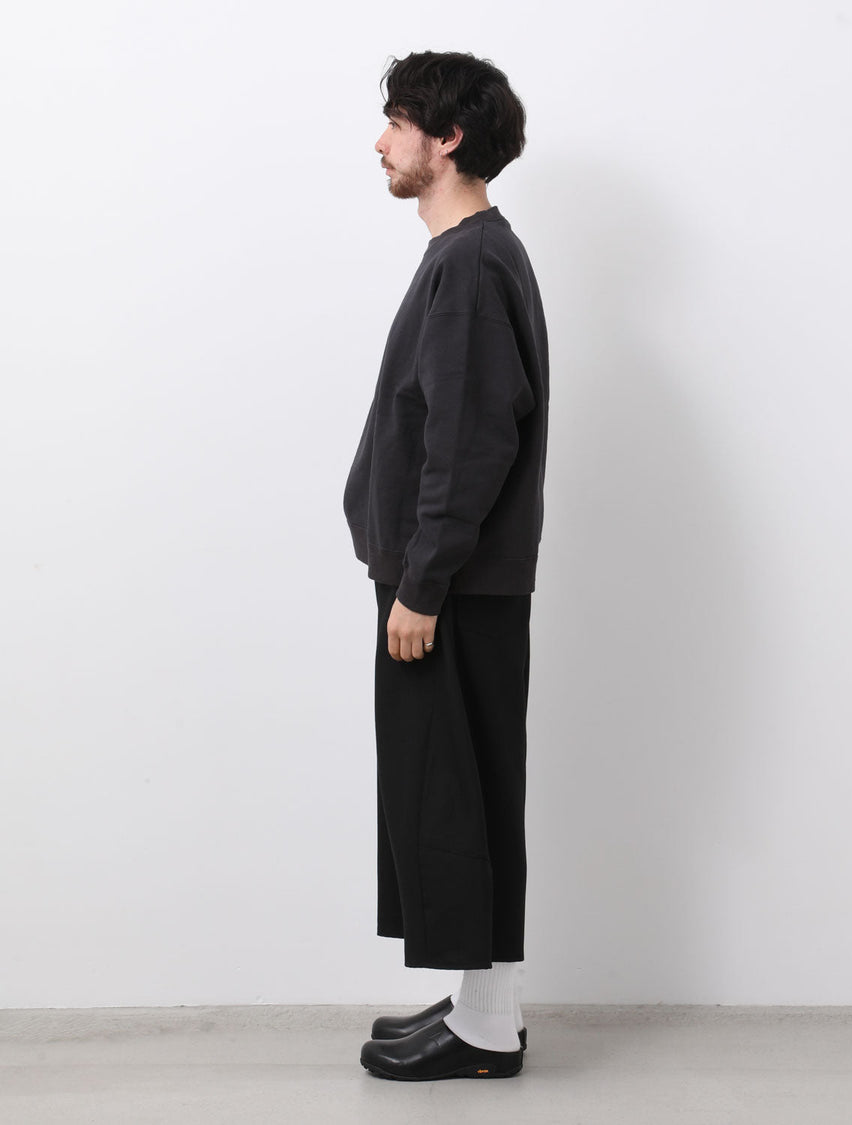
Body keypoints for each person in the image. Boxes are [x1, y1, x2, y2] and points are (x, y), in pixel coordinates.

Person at [343, 50, 550, 1081]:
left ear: (448, 137)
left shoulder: (469, 265)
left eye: (397, 121)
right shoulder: (470, 255)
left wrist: (421, 585)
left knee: (454, 797)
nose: (380, 142)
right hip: (456, 579)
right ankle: (484, 1007)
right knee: (461, 791)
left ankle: (487, 1030)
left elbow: (469, 442)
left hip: (451, 586)